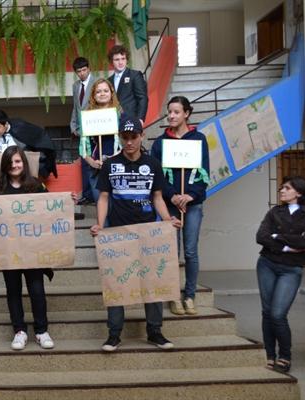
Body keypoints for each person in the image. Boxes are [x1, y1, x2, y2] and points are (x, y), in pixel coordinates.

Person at [0, 146, 75, 350]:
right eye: (10, 162)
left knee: (37, 290)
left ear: (24, 164)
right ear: (5, 165)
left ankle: (41, 330)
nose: (14, 165)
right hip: (8, 253)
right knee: (13, 290)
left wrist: (69, 201)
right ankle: (19, 331)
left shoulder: (36, 186)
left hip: (34, 252)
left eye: (18, 161)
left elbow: (51, 207)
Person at [90, 115, 180, 352]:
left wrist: (169, 219)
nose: (129, 142)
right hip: (118, 233)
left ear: (142, 136)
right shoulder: (110, 165)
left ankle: (155, 331)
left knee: (152, 280)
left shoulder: (152, 164)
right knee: (116, 282)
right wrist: (99, 224)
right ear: (120, 138)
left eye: (134, 137)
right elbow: (103, 197)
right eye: (125, 137)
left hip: (149, 232)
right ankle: (114, 334)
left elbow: (158, 197)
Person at [151, 96, 210, 316]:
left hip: (193, 205)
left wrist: (190, 196)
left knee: (191, 252)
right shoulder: (160, 142)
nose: (172, 116)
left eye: (176, 112)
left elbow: (204, 173)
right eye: (169, 112)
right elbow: (157, 177)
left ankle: (190, 295)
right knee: (171, 253)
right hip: (170, 205)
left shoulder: (199, 139)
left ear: (186, 113)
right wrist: (173, 196)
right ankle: (173, 296)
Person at [255, 176, 305, 373]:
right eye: (282, 188)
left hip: (291, 269)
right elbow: (261, 237)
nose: (281, 191)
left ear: (299, 193)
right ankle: (269, 354)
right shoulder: (275, 211)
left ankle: (285, 355)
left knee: (278, 314)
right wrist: (289, 244)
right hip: (266, 264)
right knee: (267, 312)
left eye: (287, 188)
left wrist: (278, 238)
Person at [0, 110, 58, 179]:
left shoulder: (20, 129)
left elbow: (39, 142)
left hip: (21, 171)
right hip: (0, 172)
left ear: (6, 124)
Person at [79, 78, 122, 203]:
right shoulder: (87, 116)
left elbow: (125, 142)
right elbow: (82, 145)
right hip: (95, 166)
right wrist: (91, 162)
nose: (102, 94)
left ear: (111, 92)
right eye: (98, 92)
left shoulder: (120, 115)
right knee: (101, 205)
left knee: (117, 206)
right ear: (93, 95)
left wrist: (112, 158)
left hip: (116, 164)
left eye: (105, 90)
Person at [70, 57, 99, 204]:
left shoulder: (98, 83)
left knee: (93, 162)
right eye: (79, 71)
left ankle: (96, 196)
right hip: (81, 131)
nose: (82, 73)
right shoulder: (75, 86)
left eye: (84, 70)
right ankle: (87, 195)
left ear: (89, 69)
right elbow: (76, 107)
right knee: (84, 162)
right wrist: (73, 125)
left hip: (95, 129)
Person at [108, 45, 148, 125]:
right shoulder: (109, 80)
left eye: (123, 59)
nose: (120, 62)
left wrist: (140, 119)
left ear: (127, 60)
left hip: (132, 120)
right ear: (111, 62)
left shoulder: (135, 75)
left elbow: (142, 98)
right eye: (117, 59)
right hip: (113, 121)